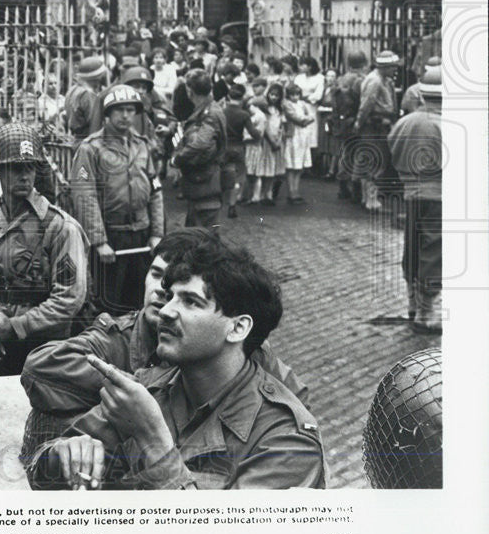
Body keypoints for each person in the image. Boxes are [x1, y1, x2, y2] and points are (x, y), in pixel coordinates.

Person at [27, 237, 325, 490]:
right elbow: (41, 476)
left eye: (191, 302)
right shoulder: (151, 386)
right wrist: (62, 456)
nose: (166, 311)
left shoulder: (288, 440)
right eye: (170, 298)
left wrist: (152, 439)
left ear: (238, 328)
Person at [0, 123, 88, 377]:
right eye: (16, 168)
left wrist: (17, 326)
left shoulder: (60, 227)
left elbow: (69, 297)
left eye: (30, 167)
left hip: (45, 346)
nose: (25, 175)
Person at [71, 85, 163, 316]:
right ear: (107, 114)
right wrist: (99, 240)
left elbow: (155, 190)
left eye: (130, 110)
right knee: (109, 303)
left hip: (141, 233)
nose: (125, 116)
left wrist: (157, 233)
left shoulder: (141, 145)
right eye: (119, 110)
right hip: (112, 235)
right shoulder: (91, 148)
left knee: (141, 299)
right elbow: (84, 194)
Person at [388, 68, 443, 334]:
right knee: (434, 250)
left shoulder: (406, 121)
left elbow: (391, 148)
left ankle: (413, 303)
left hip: (412, 191)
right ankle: (427, 311)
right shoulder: (448, 124)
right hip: (440, 194)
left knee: (413, 246)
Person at [172, 69, 227, 228]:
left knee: (203, 238)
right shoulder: (208, 109)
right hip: (200, 182)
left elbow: (201, 143)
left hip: (205, 181)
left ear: (190, 91)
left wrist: (178, 158)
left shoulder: (209, 113)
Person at [355, 50, 400, 211]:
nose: (395, 70)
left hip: (379, 124)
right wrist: (359, 122)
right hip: (374, 125)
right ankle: (370, 200)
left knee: (373, 160)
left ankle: (367, 198)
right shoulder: (375, 81)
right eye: (393, 67)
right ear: (385, 67)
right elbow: (366, 104)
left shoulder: (384, 80)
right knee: (375, 161)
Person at [332, 51, 369, 201]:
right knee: (360, 155)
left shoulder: (341, 79)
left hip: (342, 121)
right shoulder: (361, 80)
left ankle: (342, 186)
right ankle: (356, 189)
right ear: (364, 63)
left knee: (346, 153)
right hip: (355, 120)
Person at [221, 84, 261, 218]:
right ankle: (232, 206)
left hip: (224, 147)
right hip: (238, 147)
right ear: (242, 98)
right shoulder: (244, 114)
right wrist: (258, 132)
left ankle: (219, 202)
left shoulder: (222, 112)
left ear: (228, 97)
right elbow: (254, 133)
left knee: (222, 173)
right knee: (238, 177)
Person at [246, 82, 286, 205]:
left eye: (276, 95)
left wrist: (279, 138)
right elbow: (265, 127)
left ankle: (267, 194)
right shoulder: (263, 108)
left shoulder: (279, 110)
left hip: (275, 140)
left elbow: (281, 126)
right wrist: (272, 141)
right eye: (272, 94)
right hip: (265, 141)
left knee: (271, 170)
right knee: (260, 168)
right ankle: (256, 195)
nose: (274, 97)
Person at [281, 83, 314, 204]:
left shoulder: (302, 104)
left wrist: (305, 120)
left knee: (299, 165)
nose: (295, 97)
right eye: (292, 95)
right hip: (293, 134)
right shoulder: (287, 104)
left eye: (297, 94)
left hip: (303, 135)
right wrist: (304, 120)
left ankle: (296, 190)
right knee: (292, 164)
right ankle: (291, 191)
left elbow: (311, 116)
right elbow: (294, 117)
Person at [64, 55, 109, 141]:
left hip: (76, 139)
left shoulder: (73, 89)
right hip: (86, 140)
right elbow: (94, 124)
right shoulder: (87, 94)